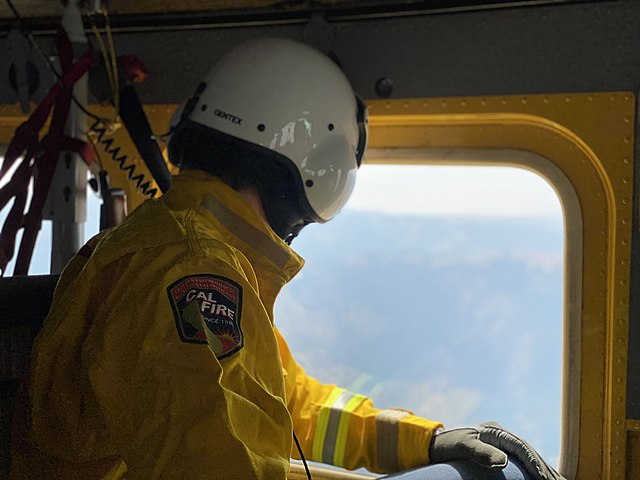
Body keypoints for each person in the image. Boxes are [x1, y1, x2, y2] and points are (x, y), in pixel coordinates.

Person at [10, 38, 563, 480]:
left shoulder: (196, 254)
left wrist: (427, 442)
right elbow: (212, 465)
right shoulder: (187, 270)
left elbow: (291, 406)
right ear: (319, 168)